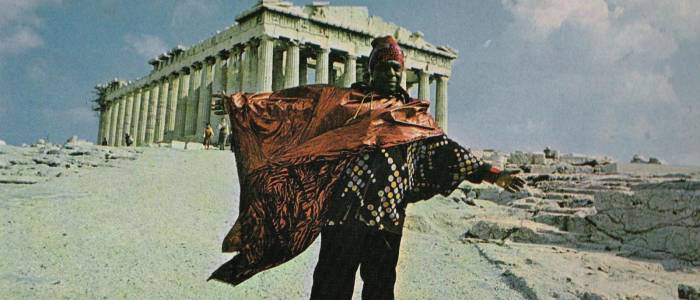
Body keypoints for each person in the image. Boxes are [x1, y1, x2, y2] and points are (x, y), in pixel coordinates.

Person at [208, 36, 525, 299]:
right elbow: (296, 106)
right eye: (385, 67)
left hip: (387, 221)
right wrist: (239, 105)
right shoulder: (345, 104)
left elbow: (450, 153)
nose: (392, 74)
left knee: (380, 290)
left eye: (397, 69)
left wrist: (495, 175)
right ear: (372, 70)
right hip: (343, 217)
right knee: (331, 288)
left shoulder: (415, 117)